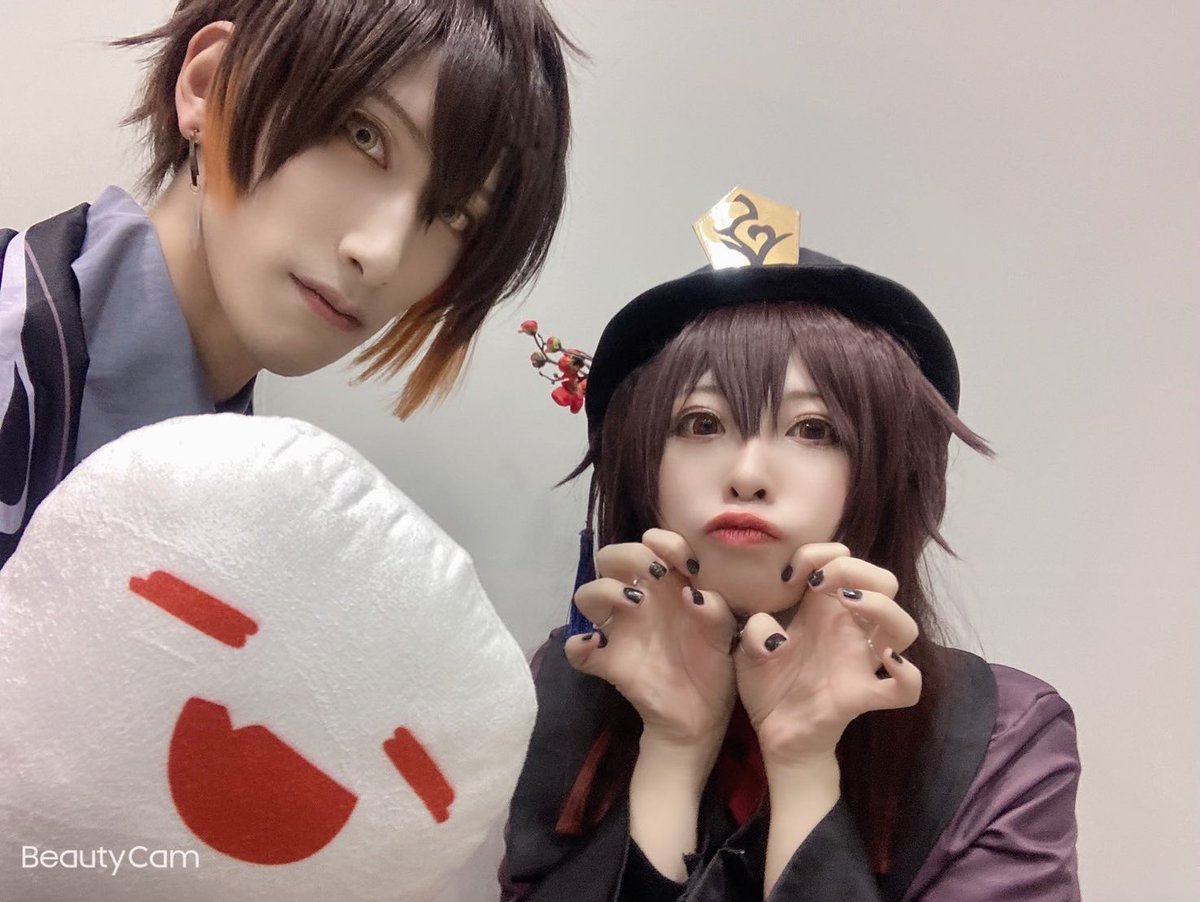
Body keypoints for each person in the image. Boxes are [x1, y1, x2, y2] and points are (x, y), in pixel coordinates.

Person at [500, 188, 1080, 900]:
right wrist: (672, 752)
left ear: (886, 474)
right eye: (702, 424)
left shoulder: (1004, 735)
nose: (747, 474)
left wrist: (803, 767)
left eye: (813, 430)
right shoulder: (565, 687)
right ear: (642, 468)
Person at [0, 0, 575, 568]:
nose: (383, 255)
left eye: (454, 214)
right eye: (364, 135)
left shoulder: (239, 502)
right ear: (209, 85)